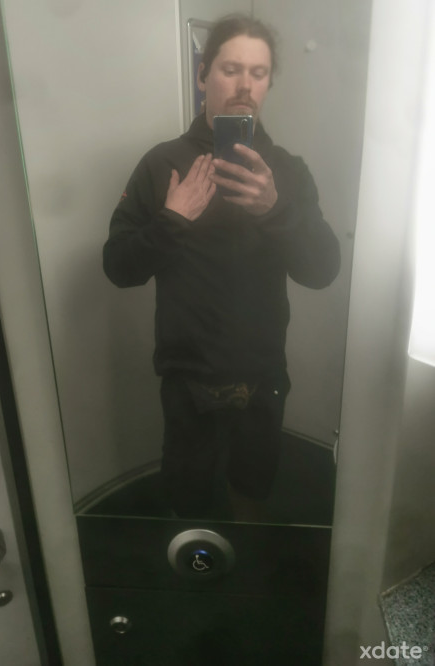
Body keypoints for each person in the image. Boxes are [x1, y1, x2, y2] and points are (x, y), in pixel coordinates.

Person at [103, 15, 340, 520]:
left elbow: (322, 271)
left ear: (269, 83)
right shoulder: (161, 164)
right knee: (188, 504)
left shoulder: (287, 170)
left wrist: (275, 210)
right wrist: (171, 220)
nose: (244, 85)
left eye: (258, 72)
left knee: (253, 491)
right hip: (188, 378)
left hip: (264, 373)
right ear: (202, 75)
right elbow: (119, 267)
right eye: (231, 69)